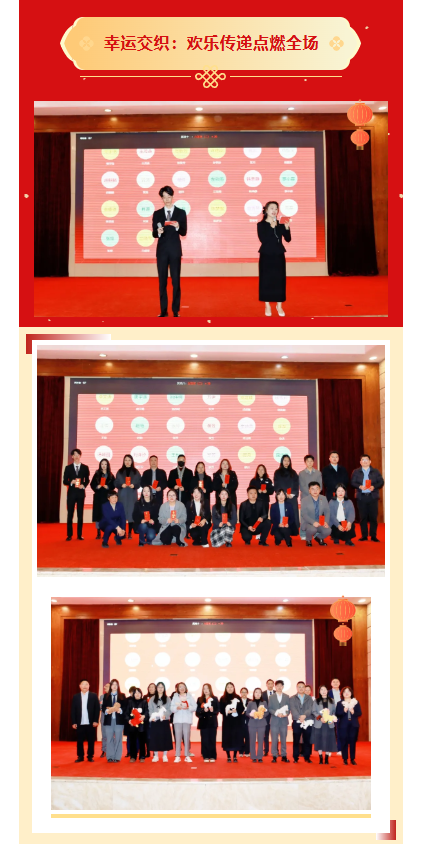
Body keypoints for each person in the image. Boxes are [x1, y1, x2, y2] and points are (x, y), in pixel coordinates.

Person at [152, 185, 187, 317]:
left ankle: (175, 310)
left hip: (175, 251)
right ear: (161, 198)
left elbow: (184, 232)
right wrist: (158, 232)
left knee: (176, 281)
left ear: (173, 197)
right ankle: (163, 310)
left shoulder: (181, 213)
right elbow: (153, 234)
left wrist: (178, 226)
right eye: (164, 197)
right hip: (161, 252)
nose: (167, 200)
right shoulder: (157, 214)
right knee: (162, 281)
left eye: (169, 197)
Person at [257, 201, 291, 317]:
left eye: (276, 209)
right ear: (266, 210)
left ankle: (279, 305)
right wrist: (271, 228)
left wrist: (287, 228)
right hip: (266, 255)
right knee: (266, 280)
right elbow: (263, 240)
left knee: (279, 280)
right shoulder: (261, 225)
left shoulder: (280, 224)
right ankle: (267, 305)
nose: (274, 211)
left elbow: (288, 239)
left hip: (279, 255)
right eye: (272, 208)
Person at [351, 454, 384, 542]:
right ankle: (364, 535)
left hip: (372, 496)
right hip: (361, 497)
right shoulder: (356, 472)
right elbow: (352, 483)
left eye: (366, 460)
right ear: (360, 462)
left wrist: (374, 486)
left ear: (370, 461)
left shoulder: (375, 471)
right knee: (363, 517)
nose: (365, 461)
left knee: (373, 517)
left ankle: (373, 536)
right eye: (363, 460)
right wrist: (360, 486)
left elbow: (381, 482)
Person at [63, 448, 90, 541]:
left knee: (80, 515)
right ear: (72, 456)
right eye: (75, 455)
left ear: (80, 456)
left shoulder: (85, 467)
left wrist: (84, 485)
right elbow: (64, 481)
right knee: (70, 514)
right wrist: (71, 482)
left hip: (80, 494)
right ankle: (69, 535)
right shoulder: (68, 468)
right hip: (71, 494)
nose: (76, 456)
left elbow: (87, 480)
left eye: (78, 454)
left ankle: (79, 535)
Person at [71, 679, 100, 762]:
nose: (85, 686)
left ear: (89, 686)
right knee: (79, 741)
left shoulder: (93, 695)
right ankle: (80, 756)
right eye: (83, 684)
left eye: (86, 684)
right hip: (79, 722)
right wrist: (74, 722)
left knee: (91, 740)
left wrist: (95, 720)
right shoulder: (76, 696)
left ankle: (90, 756)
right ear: (80, 686)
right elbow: (73, 710)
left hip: (90, 722)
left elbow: (97, 709)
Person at [115, 454, 141, 539]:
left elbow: (139, 483)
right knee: (122, 514)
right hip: (122, 494)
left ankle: (130, 532)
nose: (127, 462)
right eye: (126, 460)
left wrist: (134, 485)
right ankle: (122, 532)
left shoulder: (136, 472)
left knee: (131, 514)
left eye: (129, 460)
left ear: (132, 461)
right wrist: (120, 485)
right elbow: (115, 483)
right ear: (123, 461)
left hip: (132, 495)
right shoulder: (120, 471)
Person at [335, 686, 362, 765]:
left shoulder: (355, 702)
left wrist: (354, 712)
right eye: (345, 692)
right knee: (344, 742)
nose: (346, 693)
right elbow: (337, 714)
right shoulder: (340, 703)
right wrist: (343, 711)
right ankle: (345, 759)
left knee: (353, 742)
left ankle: (352, 759)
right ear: (342, 694)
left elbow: (360, 713)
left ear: (351, 693)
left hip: (354, 725)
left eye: (348, 691)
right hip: (343, 725)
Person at [311, 685, 338, 764]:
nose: (323, 691)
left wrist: (332, 718)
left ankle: (326, 758)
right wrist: (320, 718)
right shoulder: (316, 701)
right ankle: (320, 757)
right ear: (319, 692)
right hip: (319, 723)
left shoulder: (332, 700)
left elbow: (334, 712)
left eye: (325, 689)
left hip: (329, 724)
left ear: (327, 691)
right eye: (321, 690)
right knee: (319, 740)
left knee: (328, 740)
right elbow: (313, 711)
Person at [170, 682, 197, 762]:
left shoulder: (189, 696)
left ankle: (187, 755)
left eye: (183, 687)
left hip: (187, 720)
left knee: (187, 738)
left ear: (185, 688)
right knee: (177, 738)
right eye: (180, 687)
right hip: (177, 720)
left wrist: (188, 707)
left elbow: (195, 707)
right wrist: (176, 708)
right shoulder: (175, 696)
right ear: (177, 689)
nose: (182, 688)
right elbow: (171, 708)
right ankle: (177, 755)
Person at [90, 459, 115, 539]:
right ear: (100, 465)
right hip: (98, 497)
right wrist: (97, 486)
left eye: (105, 464)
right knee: (98, 515)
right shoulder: (97, 474)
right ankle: (98, 532)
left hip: (107, 497)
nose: (104, 466)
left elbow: (113, 485)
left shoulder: (110, 475)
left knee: (106, 515)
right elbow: (92, 484)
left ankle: (106, 531)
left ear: (108, 465)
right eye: (102, 464)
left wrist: (108, 487)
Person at [298, 455, 322, 540]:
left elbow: (320, 486)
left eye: (311, 461)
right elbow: (302, 487)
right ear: (305, 462)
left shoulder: (318, 473)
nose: (310, 463)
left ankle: (316, 533)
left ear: (313, 462)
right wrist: (311, 495)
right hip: (305, 497)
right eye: (308, 461)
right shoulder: (301, 473)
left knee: (316, 515)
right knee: (304, 516)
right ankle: (303, 533)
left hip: (316, 497)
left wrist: (315, 494)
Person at [273, 455, 299, 532]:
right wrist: (283, 494)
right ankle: (281, 530)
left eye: (288, 461)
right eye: (285, 460)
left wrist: (292, 494)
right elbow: (276, 484)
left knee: (293, 512)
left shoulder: (293, 472)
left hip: (291, 496)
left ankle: (293, 530)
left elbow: (296, 484)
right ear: (282, 461)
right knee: (282, 512)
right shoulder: (277, 472)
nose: (286, 462)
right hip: (281, 496)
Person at [102, 679, 126, 763]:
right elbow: (103, 707)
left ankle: (117, 757)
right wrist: (107, 711)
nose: (114, 686)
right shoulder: (106, 696)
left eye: (116, 684)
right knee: (109, 738)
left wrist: (120, 710)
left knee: (118, 739)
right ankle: (110, 756)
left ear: (118, 686)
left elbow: (125, 707)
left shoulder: (122, 696)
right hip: (109, 720)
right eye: (113, 684)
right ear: (110, 686)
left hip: (119, 721)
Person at [300, 481, 331, 547]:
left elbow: (327, 511)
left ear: (320, 490)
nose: (315, 491)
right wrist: (313, 522)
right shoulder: (304, 500)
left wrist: (326, 521)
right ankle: (308, 540)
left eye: (317, 488)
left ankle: (319, 538)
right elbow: (304, 514)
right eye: (312, 489)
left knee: (328, 530)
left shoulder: (323, 498)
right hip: (308, 522)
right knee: (312, 529)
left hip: (320, 521)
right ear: (309, 491)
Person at [290, 681, 314, 763]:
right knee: (296, 741)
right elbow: (293, 709)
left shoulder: (309, 698)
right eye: (299, 687)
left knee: (307, 740)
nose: (301, 688)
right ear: (297, 688)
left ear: (304, 688)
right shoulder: (292, 698)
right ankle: (295, 757)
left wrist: (304, 716)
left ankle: (307, 757)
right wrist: (299, 717)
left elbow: (310, 708)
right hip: (297, 721)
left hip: (307, 721)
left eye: (302, 687)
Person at [148, 682, 173, 761]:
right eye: (159, 687)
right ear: (156, 688)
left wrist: (165, 715)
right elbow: (150, 709)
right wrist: (152, 716)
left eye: (162, 687)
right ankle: (156, 756)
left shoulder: (168, 698)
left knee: (164, 737)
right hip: (155, 721)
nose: (160, 689)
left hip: (164, 720)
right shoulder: (152, 698)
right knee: (155, 738)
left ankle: (164, 755)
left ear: (164, 688)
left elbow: (170, 709)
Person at [220, 683, 245, 762]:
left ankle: (234, 756)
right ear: (226, 688)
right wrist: (227, 711)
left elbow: (242, 708)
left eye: (231, 687)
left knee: (236, 739)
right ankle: (228, 756)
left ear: (234, 688)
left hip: (236, 722)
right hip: (227, 722)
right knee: (227, 738)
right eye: (228, 687)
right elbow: (221, 709)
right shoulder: (223, 698)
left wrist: (236, 710)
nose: (230, 688)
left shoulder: (237, 697)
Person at [268, 679, 291, 763]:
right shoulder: (271, 697)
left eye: (280, 686)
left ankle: (284, 755)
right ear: (275, 687)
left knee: (283, 739)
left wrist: (286, 714)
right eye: (277, 686)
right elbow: (270, 708)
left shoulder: (286, 696)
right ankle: (274, 755)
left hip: (284, 721)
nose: (279, 687)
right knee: (274, 739)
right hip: (274, 721)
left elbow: (289, 709)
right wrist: (276, 713)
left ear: (283, 687)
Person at [196, 683, 219, 762]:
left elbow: (218, 710)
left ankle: (212, 756)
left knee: (212, 739)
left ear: (210, 690)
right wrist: (203, 710)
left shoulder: (214, 698)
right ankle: (205, 756)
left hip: (212, 722)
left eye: (207, 688)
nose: (206, 690)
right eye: (204, 689)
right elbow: (197, 712)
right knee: (204, 740)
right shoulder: (200, 699)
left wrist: (213, 711)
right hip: (203, 722)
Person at [125, 688, 149, 762]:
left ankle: (142, 756)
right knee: (132, 741)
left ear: (141, 694)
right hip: (132, 725)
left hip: (141, 725)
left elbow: (147, 712)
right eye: (136, 693)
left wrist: (144, 716)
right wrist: (129, 720)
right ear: (133, 694)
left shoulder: (144, 702)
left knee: (142, 741)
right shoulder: (130, 702)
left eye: (139, 693)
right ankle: (133, 756)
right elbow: (126, 713)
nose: (137, 694)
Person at [247, 687, 268, 762]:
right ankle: (253, 756)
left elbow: (267, 712)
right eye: (256, 692)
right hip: (252, 723)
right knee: (252, 740)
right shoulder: (250, 703)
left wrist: (261, 715)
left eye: (259, 692)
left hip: (261, 723)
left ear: (261, 694)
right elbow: (247, 712)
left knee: (261, 740)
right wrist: (251, 715)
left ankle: (259, 757)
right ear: (254, 693)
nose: (258, 694)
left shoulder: (264, 702)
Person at [328, 678, 343, 754]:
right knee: (330, 732)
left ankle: (339, 749)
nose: (335, 683)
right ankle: (330, 749)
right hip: (331, 714)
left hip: (341, 714)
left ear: (339, 683)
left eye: (337, 682)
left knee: (340, 732)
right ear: (331, 684)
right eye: (334, 682)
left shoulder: (343, 692)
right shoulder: (328, 692)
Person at [261, 679, 275, 756]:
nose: (270, 685)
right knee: (265, 734)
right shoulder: (262, 694)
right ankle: (266, 750)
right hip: (265, 717)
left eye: (271, 684)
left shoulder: (276, 693)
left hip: (275, 717)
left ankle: (275, 750)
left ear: (273, 685)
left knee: (275, 734)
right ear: (266, 685)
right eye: (268, 684)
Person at [99, 683, 110, 757]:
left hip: (112, 719)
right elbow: (101, 707)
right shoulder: (102, 697)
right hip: (104, 718)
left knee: (112, 736)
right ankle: (104, 750)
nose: (104, 687)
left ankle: (111, 750)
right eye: (104, 686)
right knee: (104, 735)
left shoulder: (115, 696)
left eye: (106, 686)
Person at [239, 688, 251, 757]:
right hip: (240, 722)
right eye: (242, 692)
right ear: (240, 693)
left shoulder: (250, 701)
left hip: (248, 722)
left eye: (245, 692)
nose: (244, 693)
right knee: (240, 737)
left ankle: (247, 751)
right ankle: (241, 751)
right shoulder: (237, 701)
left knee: (247, 737)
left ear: (247, 693)